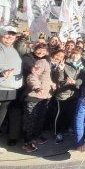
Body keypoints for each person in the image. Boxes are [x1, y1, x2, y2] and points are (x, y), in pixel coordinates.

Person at [52, 48, 85, 143]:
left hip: (74, 95)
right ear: (70, 55)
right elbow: (60, 81)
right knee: (60, 114)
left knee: (70, 114)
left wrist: (75, 82)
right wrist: (61, 71)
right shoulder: (65, 64)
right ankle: (57, 133)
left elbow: (82, 80)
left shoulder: (82, 66)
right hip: (63, 94)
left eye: (77, 55)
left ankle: (66, 129)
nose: (75, 56)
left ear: (81, 56)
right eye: (73, 54)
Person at [22, 54, 55, 152]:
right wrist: (36, 86)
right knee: (30, 121)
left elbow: (47, 80)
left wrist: (53, 85)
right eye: (57, 55)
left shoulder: (52, 65)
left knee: (39, 120)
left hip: (45, 96)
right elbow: (32, 76)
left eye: (61, 56)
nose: (58, 58)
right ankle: (26, 143)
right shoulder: (42, 62)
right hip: (35, 96)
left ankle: (34, 139)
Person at [0, 26, 22, 154]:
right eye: (6, 34)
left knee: (3, 117)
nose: (9, 36)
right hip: (1, 88)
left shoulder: (13, 49)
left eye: (12, 34)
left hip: (12, 89)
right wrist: (2, 73)